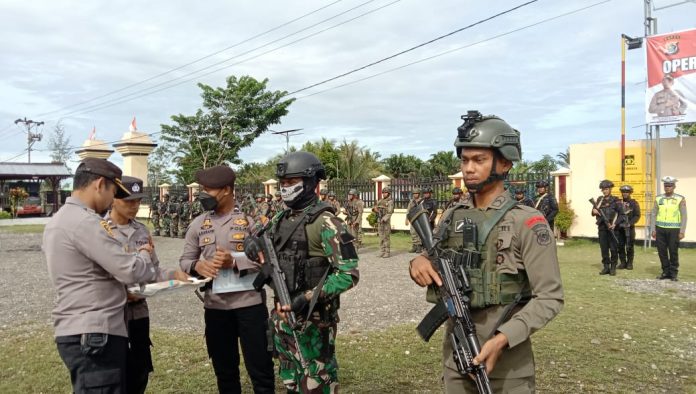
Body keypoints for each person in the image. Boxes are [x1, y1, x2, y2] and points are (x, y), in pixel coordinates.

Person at [408, 110, 564, 393]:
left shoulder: (526, 221)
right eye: (465, 160)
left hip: (507, 367)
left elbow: (550, 297)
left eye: (479, 160)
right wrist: (418, 261)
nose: (468, 168)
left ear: (504, 163)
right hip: (457, 357)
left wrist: (503, 338)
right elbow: (432, 256)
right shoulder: (454, 215)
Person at [245, 151, 359, 393]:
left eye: (291, 183)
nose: (285, 188)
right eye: (282, 183)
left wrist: (306, 297)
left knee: (316, 381)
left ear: (311, 183)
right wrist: (252, 246)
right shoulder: (280, 217)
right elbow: (256, 239)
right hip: (282, 317)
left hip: (313, 321)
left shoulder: (327, 222)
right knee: (291, 381)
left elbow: (348, 274)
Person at [43, 158, 158, 394]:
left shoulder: (60, 219)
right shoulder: (86, 222)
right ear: (99, 185)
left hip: (81, 329)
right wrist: (145, 253)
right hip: (95, 331)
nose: (111, 199)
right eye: (113, 191)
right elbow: (131, 270)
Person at [179, 165, 275, 394]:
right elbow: (184, 260)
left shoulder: (251, 222)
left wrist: (233, 262)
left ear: (226, 190)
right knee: (225, 371)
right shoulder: (199, 223)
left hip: (249, 306)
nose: (203, 195)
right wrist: (196, 265)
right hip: (216, 307)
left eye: (209, 190)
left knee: (260, 369)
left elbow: (268, 261)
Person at [105, 176, 190, 393]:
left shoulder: (142, 230)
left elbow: (153, 270)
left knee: (140, 370)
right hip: (112, 316)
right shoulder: (100, 230)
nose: (134, 206)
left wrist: (175, 274)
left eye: (137, 201)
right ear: (113, 199)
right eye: (128, 201)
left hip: (139, 313)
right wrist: (123, 293)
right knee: (113, 374)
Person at [652, 176, 688, 281]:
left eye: (670, 186)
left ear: (674, 186)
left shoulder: (680, 199)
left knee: (673, 251)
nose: (667, 188)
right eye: (666, 185)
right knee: (661, 251)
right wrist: (653, 229)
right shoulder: (658, 198)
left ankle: (673, 273)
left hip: (674, 229)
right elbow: (653, 214)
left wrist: (682, 231)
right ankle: (665, 271)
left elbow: (684, 216)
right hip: (660, 229)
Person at [592, 180, 621, 276]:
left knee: (613, 248)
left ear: (610, 189)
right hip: (602, 228)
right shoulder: (599, 200)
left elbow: (622, 214)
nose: (604, 191)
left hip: (612, 228)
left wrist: (615, 224)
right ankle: (606, 267)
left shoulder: (616, 200)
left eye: (606, 189)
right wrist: (594, 211)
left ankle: (613, 267)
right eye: (603, 189)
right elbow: (593, 212)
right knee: (604, 248)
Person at [616, 185, 641, 270]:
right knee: (620, 246)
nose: (625, 193)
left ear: (630, 193)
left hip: (629, 228)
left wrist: (630, 223)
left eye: (627, 192)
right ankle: (623, 262)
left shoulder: (634, 203)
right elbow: (615, 214)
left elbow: (637, 215)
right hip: (620, 228)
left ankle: (630, 263)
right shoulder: (618, 203)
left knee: (629, 246)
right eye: (623, 192)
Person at [373, 186, 394, 258]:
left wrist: (384, 218)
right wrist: (375, 209)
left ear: (389, 193)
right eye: (383, 193)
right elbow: (375, 208)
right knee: (381, 237)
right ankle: (382, 251)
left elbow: (390, 212)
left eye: (385, 193)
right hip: (380, 221)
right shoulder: (380, 200)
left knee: (386, 237)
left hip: (386, 222)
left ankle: (387, 252)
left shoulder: (390, 201)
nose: (384, 194)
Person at [406, 187, 423, 253]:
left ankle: (419, 246)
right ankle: (414, 245)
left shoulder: (422, 201)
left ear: (419, 194)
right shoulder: (411, 201)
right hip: (413, 219)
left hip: (419, 219)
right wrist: (406, 219)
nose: (415, 195)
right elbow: (408, 210)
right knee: (412, 232)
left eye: (416, 193)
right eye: (414, 193)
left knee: (418, 232)